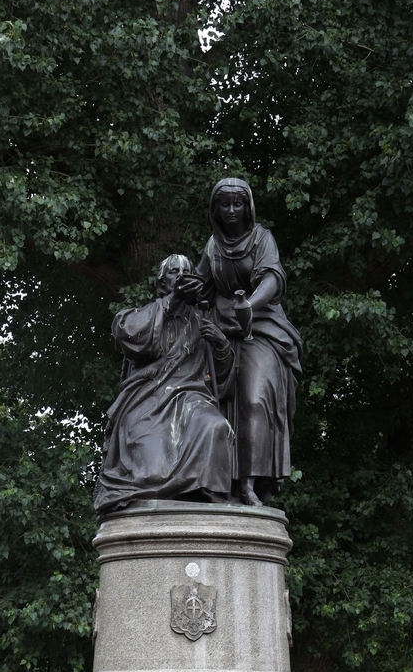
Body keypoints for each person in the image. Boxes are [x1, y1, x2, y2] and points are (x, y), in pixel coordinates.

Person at [94, 254, 235, 515]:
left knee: (216, 425)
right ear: (161, 285)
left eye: (186, 273)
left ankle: (205, 493)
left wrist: (221, 345)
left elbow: (221, 382)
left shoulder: (202, 322)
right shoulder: (143, 314)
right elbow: (129, 335)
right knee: (152, 472)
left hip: (191, 400)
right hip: (148, 401)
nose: (180, 276)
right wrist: (173, 301)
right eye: (173, 272)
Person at [195, 177, 303, 507]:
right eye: (224, 204)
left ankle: (251, 482)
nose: (231, 210)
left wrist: (250, 305)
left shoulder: (261, 238)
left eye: (237, 203)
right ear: (216, 209)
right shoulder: (212, 247)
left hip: (262, 329)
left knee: (256, 399)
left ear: (247, 207)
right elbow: (199, 287)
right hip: (222, 334)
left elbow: (273, 277)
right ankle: (214, 480)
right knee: (202, 400)